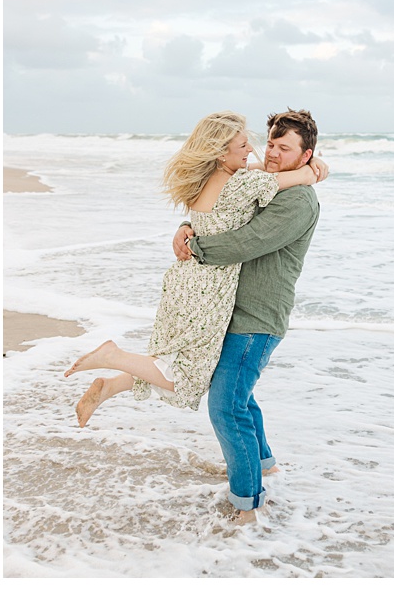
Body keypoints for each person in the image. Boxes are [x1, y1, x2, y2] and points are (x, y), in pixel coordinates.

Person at [66, 111, 325, 432]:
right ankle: (114, 356)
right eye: (255, 144)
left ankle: (112, 385)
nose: (258, 152)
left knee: (180, 361)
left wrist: (188, 229)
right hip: (209, 287)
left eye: (281, 148)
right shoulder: (243, 184)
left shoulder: (210, 179)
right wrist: (311, 170)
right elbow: (282, 185)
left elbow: (243, 190)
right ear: (221, 152)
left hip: (184, 281)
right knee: (189, 379)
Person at [177, 109, 323, 524]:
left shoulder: (297, 198)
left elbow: (246, 241)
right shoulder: (266, 183)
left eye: (286, 148)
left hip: (257, 318)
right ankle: (264, 464)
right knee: (241, 396)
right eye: (271, 144)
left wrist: (195, 248)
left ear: (306, 154)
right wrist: (188, 225)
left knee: (225, 407)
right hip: (233, 311)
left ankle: (247, 505)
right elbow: (223, 208)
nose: (274, 154)